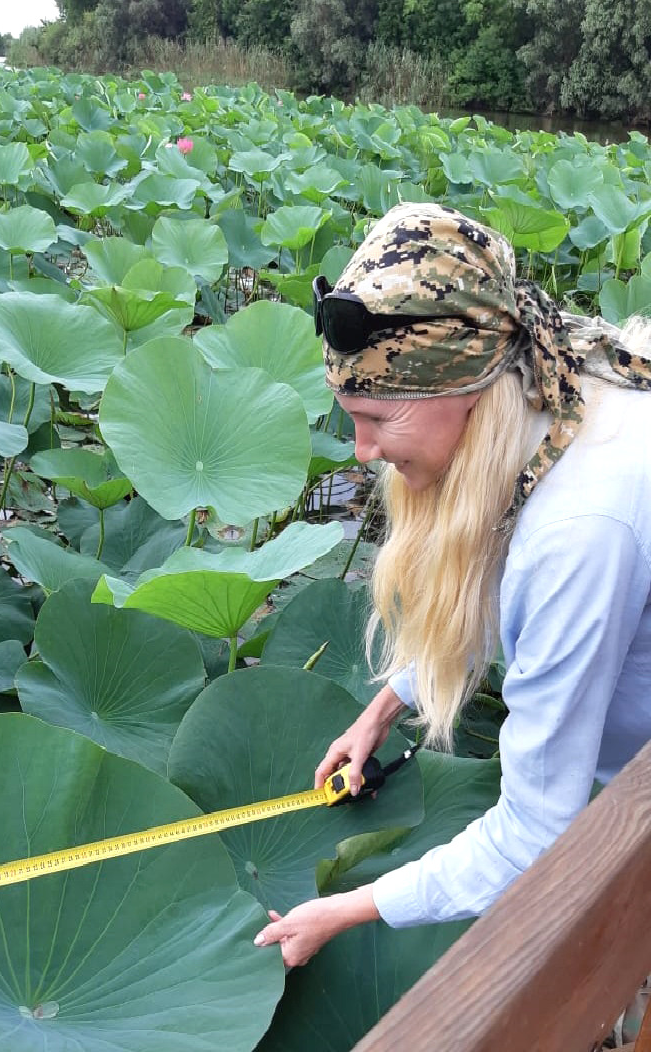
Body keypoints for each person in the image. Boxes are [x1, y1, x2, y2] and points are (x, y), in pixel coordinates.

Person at [253, 202, 651, 967]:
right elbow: (496, 570)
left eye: (375, 419)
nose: (362, 451)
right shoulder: (532, 368)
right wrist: (384, 707)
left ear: (458, 390)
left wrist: (349, 908)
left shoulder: (580, 530)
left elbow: (536, 833)